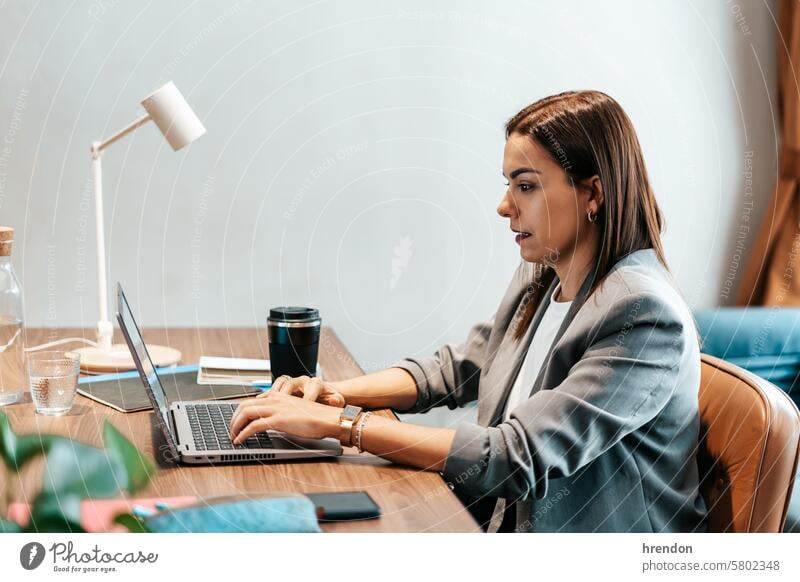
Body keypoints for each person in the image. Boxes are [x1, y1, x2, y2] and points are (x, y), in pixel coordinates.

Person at [229, 90, 708, 533]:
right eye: (508, 185)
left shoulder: (644, 315)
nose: (503, 206)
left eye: (525, 186)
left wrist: (346, 428)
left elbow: (515, 456)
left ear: (593, 194)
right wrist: (330, 394)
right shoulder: (543, 276)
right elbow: (460, 369)